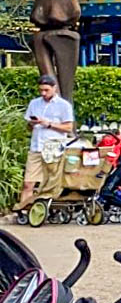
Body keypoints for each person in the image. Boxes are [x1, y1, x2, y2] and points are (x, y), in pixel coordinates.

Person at [20, 74, 75, 210]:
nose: (43, 93)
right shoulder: (34, 103)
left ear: (54, 88)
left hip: (54, 149)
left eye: (46, 90)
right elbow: (28, 127)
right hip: (36, 147)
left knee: (50, 184)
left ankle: (48, 210)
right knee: (28, 183)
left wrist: (48, 124)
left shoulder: (64, 106)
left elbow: (68, 128)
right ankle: (24, 210)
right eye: (41, 90)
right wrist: (32, 124)